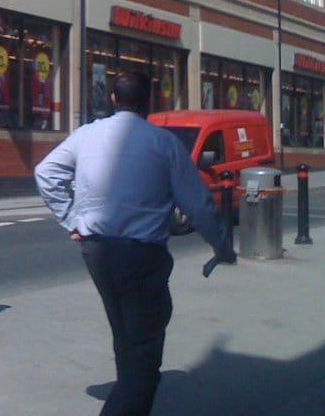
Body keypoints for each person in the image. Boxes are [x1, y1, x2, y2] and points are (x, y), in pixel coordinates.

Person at [34, 71, 236, 416]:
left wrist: (71, 220)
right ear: (149, 103)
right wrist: (221, 246)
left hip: (96, 250)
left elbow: (45, 172)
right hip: (141, 255)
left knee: (123, 331)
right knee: (144, 352)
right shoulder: (163, 142)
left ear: (113, 99)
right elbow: (198, 204)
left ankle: (127, 391)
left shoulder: (86, 135)